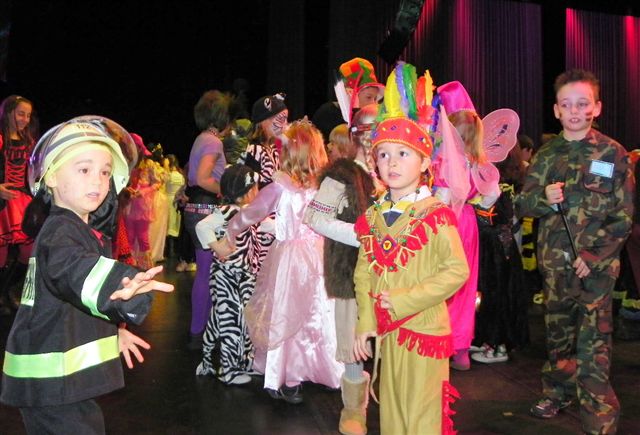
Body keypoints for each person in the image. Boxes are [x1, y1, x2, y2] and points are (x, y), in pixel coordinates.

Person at [0, 117, 174, 434]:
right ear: (51, 176)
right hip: (51, 384)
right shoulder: (60, 232)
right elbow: (75, 271)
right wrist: (120, 285)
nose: (98, 180)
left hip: (60, 382)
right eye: (84, 169)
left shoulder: (78, 230)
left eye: (105, 172)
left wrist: (112, 332)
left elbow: (74, 298)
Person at [515, 68, 634, 434]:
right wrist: (544, 198)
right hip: (555, 265)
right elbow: (523, 204)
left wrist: (594, 257)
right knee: (558, 335)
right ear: (556, 110)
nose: (575, 111)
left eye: (583, 103)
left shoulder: (613, 154)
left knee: (594, 340)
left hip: (597, 268)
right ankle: (558, 391)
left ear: (596, 107)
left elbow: (624, 216)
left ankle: (598, 408)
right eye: (566, 105)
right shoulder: (547, 155)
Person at [352, 64, 470, 435]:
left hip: (424, 333)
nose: (391, 163)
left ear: (424, 162)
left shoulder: (435, 214)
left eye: (403, 154)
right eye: (383, 154)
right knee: (392, 415)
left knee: (421, 419)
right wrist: (366, 322)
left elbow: (457, 270)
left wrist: (404, 300)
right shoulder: (372, 216)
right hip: (389, 336)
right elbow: (364, 272)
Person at [214, 119, 344, 404]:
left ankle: (291, 375)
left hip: (292, 259)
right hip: (318, 256)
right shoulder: (322, 187)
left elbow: (251, 213)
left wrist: (231, 231)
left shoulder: (283, 187)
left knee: (291, 314)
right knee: (317, 312)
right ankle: (316, 370)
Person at [303, 104, 378, 435]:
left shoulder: (400, 171)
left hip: (394, 274)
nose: (376, 138)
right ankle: (353, 407)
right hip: (351, 269)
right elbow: (314, 216)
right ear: (357, 135)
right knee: (353, 340)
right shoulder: (342, 175)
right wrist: (360, 235)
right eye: (370, 131)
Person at [432, 81, 497, 371]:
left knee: (441, 281)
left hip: (446, 222)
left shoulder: (445, 161)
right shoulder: (479, 160)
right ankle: (461, 349)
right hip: (469, 223)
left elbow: (441, 200)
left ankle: (441, 343)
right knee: (466, 285)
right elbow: (490, 198)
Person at [195, 164, 264, 385]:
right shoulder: (228, 211)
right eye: (255, 187)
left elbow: (268, 227)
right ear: (246, 193)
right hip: (226, 275)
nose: (258, 191)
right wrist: (217, 247)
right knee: (230, 320)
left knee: (237, 318)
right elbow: (202, 227)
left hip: (245, 275)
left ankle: (228, 361)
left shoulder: (250, 213)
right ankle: (228, 369)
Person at [470, 144, 530, 364]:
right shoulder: (511, 180)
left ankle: (497, 345)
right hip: (503, 244)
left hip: (494, 246)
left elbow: (488, 210)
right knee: (499, 294)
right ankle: (491, 341)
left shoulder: (495, 183)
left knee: (495, 295)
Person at [184, 89, 232, 349]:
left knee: (204, 271)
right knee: (207, 273)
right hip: (207, 208)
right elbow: (203, 178)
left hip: (195, 208)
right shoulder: (214, 142)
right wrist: (225, 190)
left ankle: (198, 331)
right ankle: (201, 332)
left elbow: (192, 177)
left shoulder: (200, 139)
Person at [0, 95, 38, 314]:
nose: (25, 119)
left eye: (28, 115)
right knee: (1, 253)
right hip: (2, 203)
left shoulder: (29, 141)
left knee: (29, 251)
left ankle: (8, 291)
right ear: (8, 113)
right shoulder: (0, 139)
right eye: (20, 113)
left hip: (22, 201)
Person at [312, 57, 385, 143]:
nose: (374, 103)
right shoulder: (326, 115)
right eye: (368, 97)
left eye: (375, 98)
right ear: (350, 94)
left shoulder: (372, 119)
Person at [163, 154, 186, 259]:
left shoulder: (167, 175)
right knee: (176, 223)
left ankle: (169, 250)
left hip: (167, 200)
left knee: (169, 223)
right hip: (177, 201)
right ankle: (176, 250)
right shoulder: (181, 176)